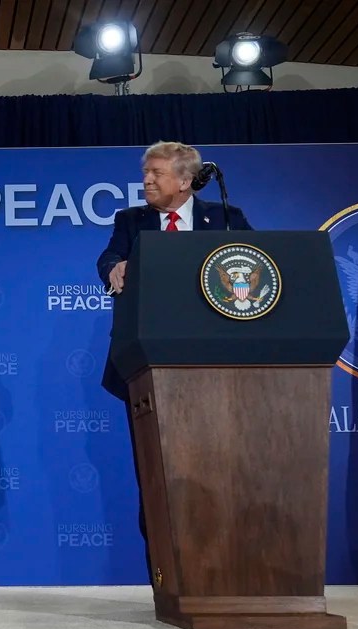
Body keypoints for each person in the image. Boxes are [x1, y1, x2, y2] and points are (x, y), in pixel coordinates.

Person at [95, 141, 253, 582]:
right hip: (146, 368)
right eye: (146, 172)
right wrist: (114, 267)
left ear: (185, 181)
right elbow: (108, 257)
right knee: (157, 478)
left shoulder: (226, 218)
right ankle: (165, 583)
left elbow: (257, 263)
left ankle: (225, 576)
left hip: (217, 369)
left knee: (221, 474)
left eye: (157, 173)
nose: (146, 180)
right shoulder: (131, 220)